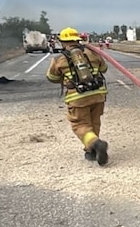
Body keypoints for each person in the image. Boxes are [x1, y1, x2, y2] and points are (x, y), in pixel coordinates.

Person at [46, 27, 110, 166]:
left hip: (77, 98)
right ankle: (92, 151)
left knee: (80, 125)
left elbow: (51, 77)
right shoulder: (93, 54)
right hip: (98, 95)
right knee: (94, 122)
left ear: (63, 42)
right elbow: (104, 69)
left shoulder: (59, 59)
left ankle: (95, 144)